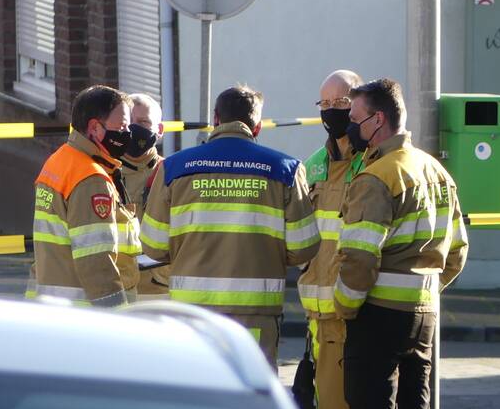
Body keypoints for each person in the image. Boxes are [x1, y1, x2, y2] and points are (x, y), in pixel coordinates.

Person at [334, 78, 468, 409]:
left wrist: (344, 308)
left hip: (377, 319)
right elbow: (457, 252)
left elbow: (358, 260)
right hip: (423, 318)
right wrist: (425, 292)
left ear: (378, 121)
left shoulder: (377, 177)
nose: (351, 124)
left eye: (356, 116)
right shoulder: (435, 171)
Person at [140, 85, 319, 364]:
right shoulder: (287, 170)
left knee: (197, 393)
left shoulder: (173, 168)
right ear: (257, 126)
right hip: (255, 312)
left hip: (193, 314)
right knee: (250, 397)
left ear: (215, 119)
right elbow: (304, 248)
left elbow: (153, 244)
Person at [297, 69, 370, 409]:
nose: (330, 112)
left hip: (358, 320)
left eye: (339, 102)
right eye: (323, 103)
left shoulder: (374, 165)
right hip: (316, 325)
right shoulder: (313, 166)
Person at [32, 85, 139, 307]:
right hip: (85, 313)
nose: (127, 134)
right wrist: (116, 312)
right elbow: (96, 260)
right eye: (122, 126)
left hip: (54, 306)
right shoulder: (91, 178)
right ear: (94, 128)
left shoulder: (58, 161)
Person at [116, 93, 170, 299]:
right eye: (129, 122)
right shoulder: (101, 174)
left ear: (160, 130)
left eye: (144, 122)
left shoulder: (173, 175)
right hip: (115, 289)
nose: (134, 129)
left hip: (159, 289)